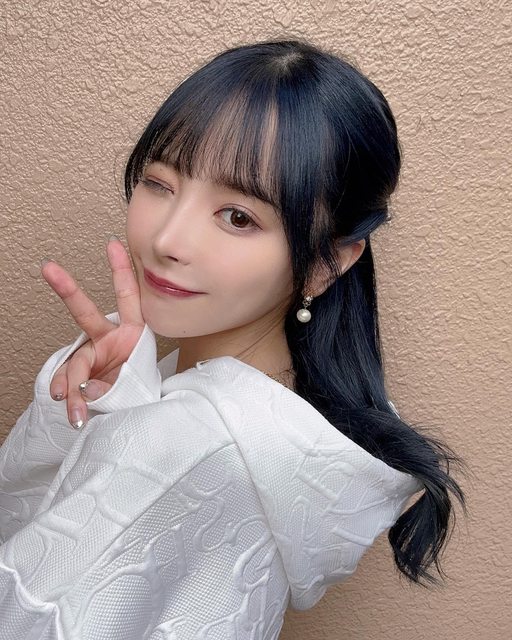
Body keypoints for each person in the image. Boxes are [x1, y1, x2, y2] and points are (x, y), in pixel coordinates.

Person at [0, 38, 466, 639]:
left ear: (324, 264)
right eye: (160, 182)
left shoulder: (184, 447)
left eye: (238, 217)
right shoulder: (288, 423)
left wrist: (126, 435)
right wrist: (116, 408)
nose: (168, 239)